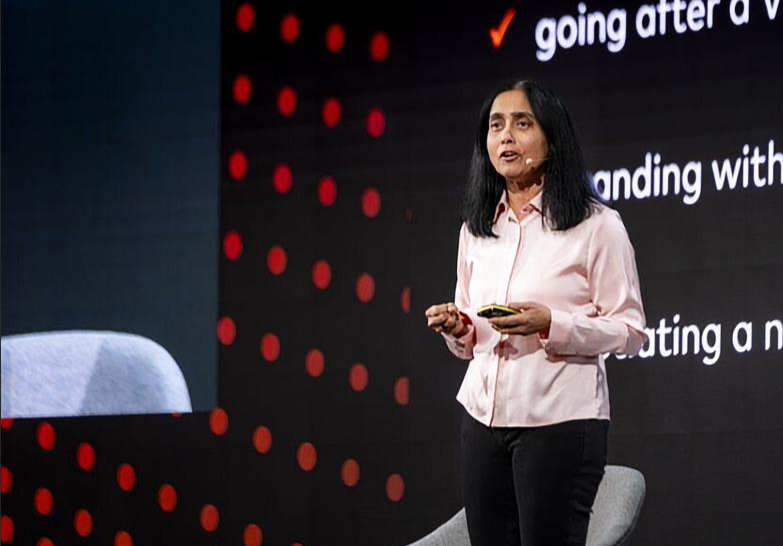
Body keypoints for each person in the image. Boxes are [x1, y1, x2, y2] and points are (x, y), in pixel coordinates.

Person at [424, 79, 647, 546]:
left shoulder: (596, 225)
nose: (505, 136)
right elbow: (470, 340)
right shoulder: (476, 230)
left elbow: (629, 331)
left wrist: (553, 324)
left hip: (559, 423)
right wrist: (458, 328)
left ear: (552, 138)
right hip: (482, 420)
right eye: (495, 125)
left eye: (521, 123)